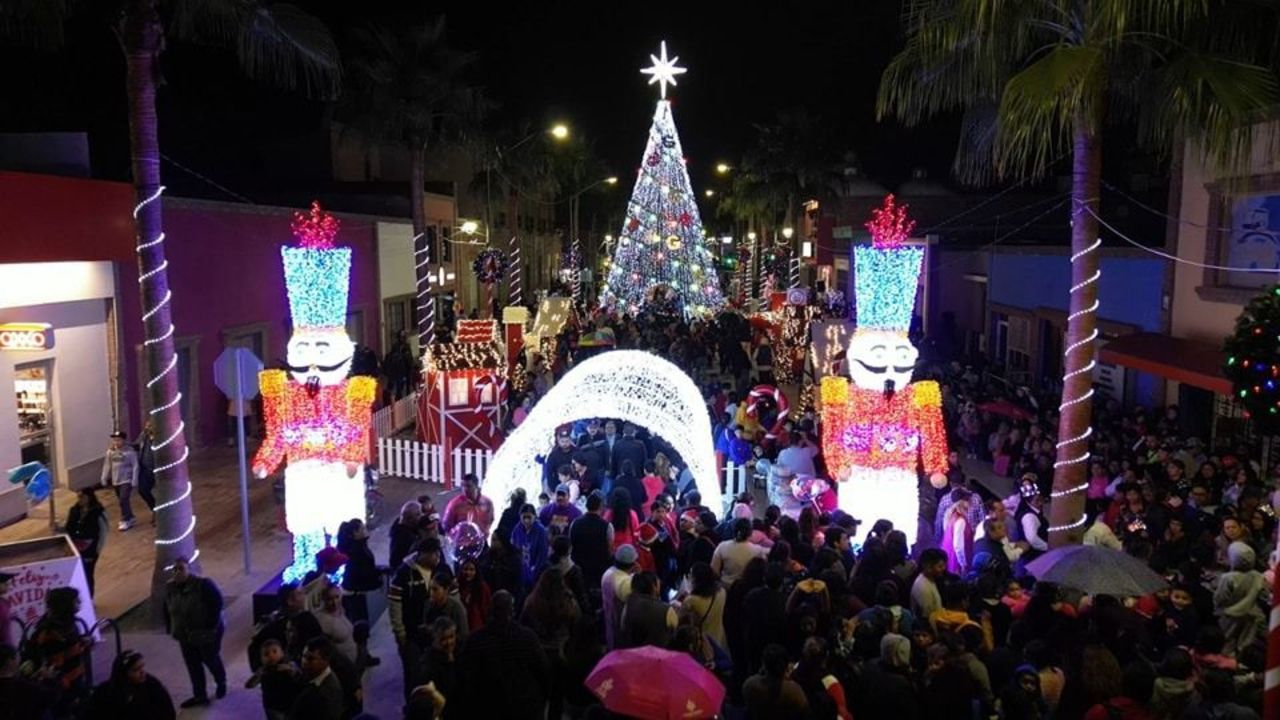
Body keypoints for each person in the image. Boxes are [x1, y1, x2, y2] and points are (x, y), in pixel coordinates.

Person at [455, 590, 550, 719]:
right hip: (524, 708)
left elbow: (465, 678)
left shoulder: (475, 640)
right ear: (512, 612)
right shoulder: (528, 638)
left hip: (487, 707)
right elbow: (543, 672)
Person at [163, 556, 226, 708]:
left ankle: (221, 682)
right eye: (174, 569)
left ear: (189, 569)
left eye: (181, 568)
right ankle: (200, 695)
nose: (177, 572)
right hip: (184, 635)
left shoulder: (203, 585)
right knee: (193, 666)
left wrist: (210, 626)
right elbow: (167, 608)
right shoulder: (170, 588)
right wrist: (171, 627)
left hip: (205, 633)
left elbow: (217, 603)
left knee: (210, 659)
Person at [521, 567, 580, 720]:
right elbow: (576, 625)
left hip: (538, 653)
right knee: (557, 697)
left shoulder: (532, 602)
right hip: (561, 654)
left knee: (539, 694)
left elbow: (524, 625)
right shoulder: (568, 602)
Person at [390, 537, 443, 700]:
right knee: (413, 675)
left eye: (438, 553)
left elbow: (454, 596)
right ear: (422, 554)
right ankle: (413, 707)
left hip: (436, 634)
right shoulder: (403, 574)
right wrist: (400, 633)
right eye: (433, 554)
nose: (437, 557)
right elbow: (395, 605)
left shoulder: (441, 569)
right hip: (411, 635)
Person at [22, 586, 89, 715]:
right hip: (62, 683)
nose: (80, 603)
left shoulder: (67, 624)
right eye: (76, 601)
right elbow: (56, 661)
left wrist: (82, 642)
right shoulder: (52, 631)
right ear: (66, 604)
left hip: (72, 678)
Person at [86, 650, 175, 720]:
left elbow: (167, 711)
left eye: (142, 666)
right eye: (136, 669)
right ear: (124, 673)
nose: (142, 672)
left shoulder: (151, 684)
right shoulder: (106, 693)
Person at [1215, 541, 1266, 656]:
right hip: (1252, 614)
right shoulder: (1258, 575)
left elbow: (1221, 597)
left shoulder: (1228, 578)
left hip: (1231, 614)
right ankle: (1243, 661)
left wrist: (1218, 609)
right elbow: (1264, 595)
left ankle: (1227, 661)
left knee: (1227, 640)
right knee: (1246, 642)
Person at [742, 643, 809, 719]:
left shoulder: (749, 684)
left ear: (764, 664)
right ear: (786, 667)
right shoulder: (793, 691)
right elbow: (806, 714)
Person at [244, 638, 302, 720]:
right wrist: (258, 676)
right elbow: (249, 685)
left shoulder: (289, 665)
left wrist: (291, 671)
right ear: (262, 659)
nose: (271, 656)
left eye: (275, 652)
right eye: (266, 654)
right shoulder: (263, 671)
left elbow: (300, 679)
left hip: (291, 704)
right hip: (273, 708)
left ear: (282, 653)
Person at [65, 488, 108, 597]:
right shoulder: (74, 510)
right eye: (78, 497)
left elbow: (103, 531)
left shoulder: (98, 512)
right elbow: (68, 528)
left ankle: (89, 597)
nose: (80, 499)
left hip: (90, 548)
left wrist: (97, 549)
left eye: (82, 497)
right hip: (75, 547)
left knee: (88, 573)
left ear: (89, 497)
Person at [570, 490, 614, 595]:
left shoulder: (575, 523)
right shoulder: (607, 526)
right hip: (599, 570)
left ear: (586, 506)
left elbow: (571, 545)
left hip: (580, 568)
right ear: (601, 507)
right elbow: (609, 550)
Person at [290, 637, 343, 720]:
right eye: (304, 656)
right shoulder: (315, 674)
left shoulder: (325, 695)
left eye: (310, 659)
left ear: (326, 660)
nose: (304, 662)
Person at [680, 562, 728, 651]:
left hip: (703, 643)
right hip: (719, 639)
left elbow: (681, 618)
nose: (688, 577)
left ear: (697, 580)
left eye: (690, 575)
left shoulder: (692, 600)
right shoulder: (722, 592)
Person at [621, 571, 677, 647]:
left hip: (632, 651)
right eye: (659, 583)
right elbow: (675, 628)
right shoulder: (666, 610)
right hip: (658, 653)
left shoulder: (628, 603)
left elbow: (623, 627)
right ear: (654, 586)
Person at [711, 518, 768, 588]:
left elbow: (714, 571)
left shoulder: (722, 546)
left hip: (725, 586)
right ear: (750, 533)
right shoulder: (758, 550)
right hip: (746, 589)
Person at [100, 430, 140, 531]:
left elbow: (135, 465)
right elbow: (107, 465)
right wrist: (104, 477)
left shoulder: (130, 452)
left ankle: (125, 520)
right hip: (116, 480)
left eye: (119, 440)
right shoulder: (110, 452)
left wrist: (134, 479)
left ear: (124, 440)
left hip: (126, 480)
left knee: (123, 499)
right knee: (122, 501)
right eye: (114, 440)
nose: (116, 442)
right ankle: (130, 517)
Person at [602, 544, 638, 649]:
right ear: (633, 564)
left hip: (609, 619)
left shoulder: (608, 573)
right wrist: (638, 576)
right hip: (621, 626)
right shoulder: (626, 583)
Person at [510, 504, 550, 597]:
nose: (526, 520)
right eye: (524, 517)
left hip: (536, 572)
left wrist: (534, 572)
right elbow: (513, 549)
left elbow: (542, 555)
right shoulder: (517, 529)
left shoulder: (541, 531)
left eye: (529, 517)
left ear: (534, 517)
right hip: (521, 571)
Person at [313, 585, 358, 666]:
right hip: (345, 666)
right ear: (323, 600)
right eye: (329, 599)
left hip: (356, 661)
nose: (334, 602)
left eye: (337, 597)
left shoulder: (340, 610)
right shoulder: (321, 619)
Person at [335, 519, 382, 595]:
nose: (365, 531)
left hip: (356, 590)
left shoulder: (360, 546)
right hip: (355, 592)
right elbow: (363, 570)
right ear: (355, 532)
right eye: (362, 529)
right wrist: (377, 574)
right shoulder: (355, 550)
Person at [440, 474, 494, 539]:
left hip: (482, 541)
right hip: (461, 543)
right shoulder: (454, 504)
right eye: (463, 486)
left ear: (476, 486)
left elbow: (490, 520)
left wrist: (485, 532)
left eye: (468, 486)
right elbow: (446, 525)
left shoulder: (487, 503)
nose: (465, 489)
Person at [424, 569, 470, 645]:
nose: (431, 593)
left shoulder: (456, 607)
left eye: (435, 589)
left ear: (446, 590)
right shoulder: (428, 604)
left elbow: (464, 634)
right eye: (430, 589)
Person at [456, 557, 492, 633]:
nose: (468, 572)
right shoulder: (458, 586)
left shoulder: (482, 587)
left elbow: (486, 608)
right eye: (465, 569)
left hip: (477, 626)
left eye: (471, 570)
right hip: (461, 625)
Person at [912, 548, 947, 626]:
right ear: (928, 567)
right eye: (940, 566)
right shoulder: (923, 587)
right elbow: (928, 618)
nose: (943, 569)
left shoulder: (930, 580)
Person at [388, 500, 424, 570]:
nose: (422, 516)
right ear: (409, 519)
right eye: (418, 514)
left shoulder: (411, 530)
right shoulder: (404, 538)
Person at [383, 330, 416, 400]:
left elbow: (410, 357)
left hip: (406, 368)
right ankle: (399, 398)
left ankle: (406, 396)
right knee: (399, 386)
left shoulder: (406, 346)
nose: (403, 338)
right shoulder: (396, 346)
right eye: (401, 337)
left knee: (407, 385)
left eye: (404, 337)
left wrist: (411, 364)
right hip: (398, 369)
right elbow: (392, 356)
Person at [134, 422, 157, 516]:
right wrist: (123, 445)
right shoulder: (144, 436)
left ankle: (162, 513)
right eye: (147, 426)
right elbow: (136, 445)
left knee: (162, 493)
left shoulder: (161, 438)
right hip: (145, 468)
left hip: (157, 469)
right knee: (143, 490)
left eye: (150, 426)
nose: (147, 428)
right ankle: (154, 509)